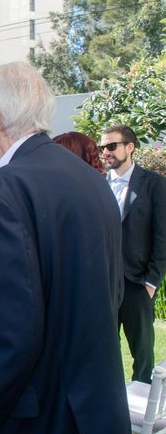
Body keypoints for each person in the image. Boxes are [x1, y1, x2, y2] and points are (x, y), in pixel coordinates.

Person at [0, 62, 129, 433]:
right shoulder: (93, 182)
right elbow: (110, 290)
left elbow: (8, 337)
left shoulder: (4, 191)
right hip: (96, 408)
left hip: (39, 414)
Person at [100, 124, 166, 383]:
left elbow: (162, 236)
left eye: (111, 146)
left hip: (137, 283)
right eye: (102, 147)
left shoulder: (154, 184)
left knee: (142, 354)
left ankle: (143, 411)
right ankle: (110, 401)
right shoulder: (97, 184)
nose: (106, 152)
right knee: (103, 349)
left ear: (130, 147)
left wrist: (151, 281)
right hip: (103, 282)